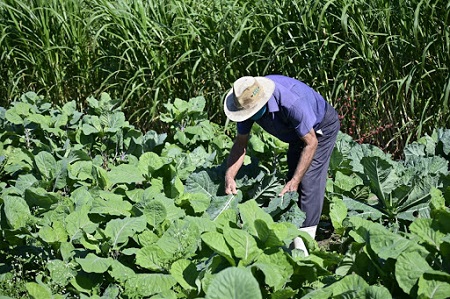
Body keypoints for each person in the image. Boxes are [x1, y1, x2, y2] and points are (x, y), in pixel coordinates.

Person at [223, 75, 340, 256]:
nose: (250, 117)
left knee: (307, 181)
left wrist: (295, 180)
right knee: (291, 184)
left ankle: (304, 248)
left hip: (319, 128)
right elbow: (240, 145)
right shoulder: (245, 103)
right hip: (296, 133)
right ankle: (293, 233)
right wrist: (229, 176)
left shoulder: (291, 103)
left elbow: (311, 143)